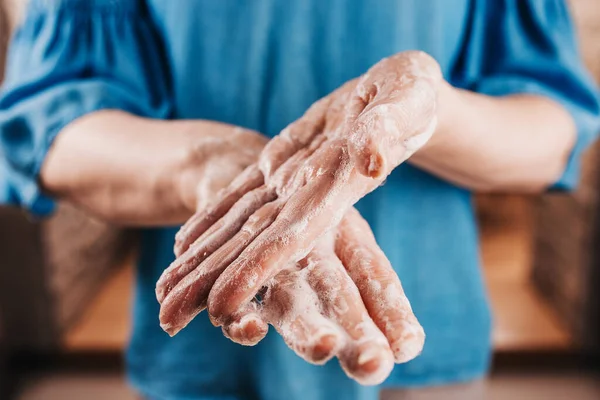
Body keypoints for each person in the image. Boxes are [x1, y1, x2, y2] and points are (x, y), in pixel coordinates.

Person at [1, 0, 598, 399]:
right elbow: (46, 127)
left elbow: (552, 130)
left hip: (421, 337)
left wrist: (427, 112)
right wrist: (213, 167)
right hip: (207, 352)